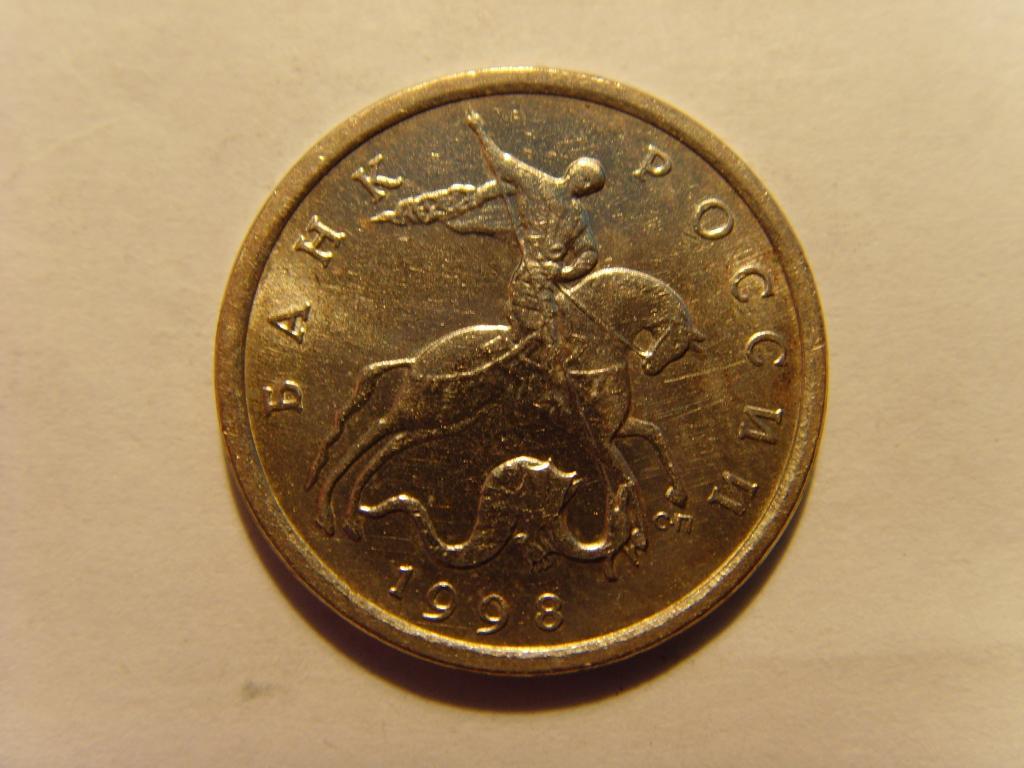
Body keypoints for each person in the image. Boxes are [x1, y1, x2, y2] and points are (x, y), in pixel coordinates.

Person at [373, 110, 606, 412]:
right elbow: (501, 163)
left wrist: (562, 271)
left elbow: (589, 253)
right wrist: (480, 130)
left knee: (573, 336)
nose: (584, 184)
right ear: (572, 171)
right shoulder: (537, 184)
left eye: (590, 184)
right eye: (584, 177)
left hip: (549, 283)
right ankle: (526, 391)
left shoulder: (578, 215)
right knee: (547, 340)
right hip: (529, 282)